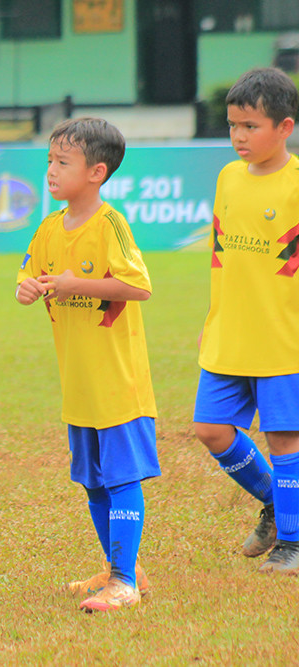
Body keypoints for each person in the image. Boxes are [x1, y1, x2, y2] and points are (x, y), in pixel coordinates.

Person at [16, 117, 160, 613]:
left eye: (63, 162)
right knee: (94, 481)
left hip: (118, 384)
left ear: (97, 172)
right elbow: (25, 281)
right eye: (49, 161)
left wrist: (80, 285)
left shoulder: (110, 224)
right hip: (78, 385)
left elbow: (139, 286)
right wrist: (28, 289)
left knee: (120, 478)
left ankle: (124, 582)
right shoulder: (50, 226)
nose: (51, 171)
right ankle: (123, 567)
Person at [192, 67, 299, 574]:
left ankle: (293, 543)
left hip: (283, 339)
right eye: (233, 125)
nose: (238, 136)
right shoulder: (227, 178)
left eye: (251, 126)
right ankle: (279, 505)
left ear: (285, 127)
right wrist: (213, 318)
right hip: (229, 333)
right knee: (211, 429)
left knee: (284, 440)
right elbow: (220, 256)